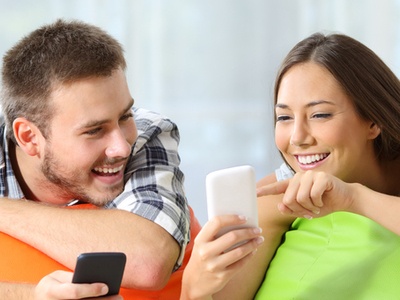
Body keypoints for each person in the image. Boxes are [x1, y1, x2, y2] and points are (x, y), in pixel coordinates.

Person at [181, 32, 400, 299]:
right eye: (284, 117)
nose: (297, 137)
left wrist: (353, 198)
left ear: (373, 120)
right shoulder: (279, 197)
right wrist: (195, 287)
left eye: (320, 114)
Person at [0, 19, 195, 299]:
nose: (122, 148)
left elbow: (148, 260)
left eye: (125, 116)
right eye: (93, 131)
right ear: (30, 138)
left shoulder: (148, 132)